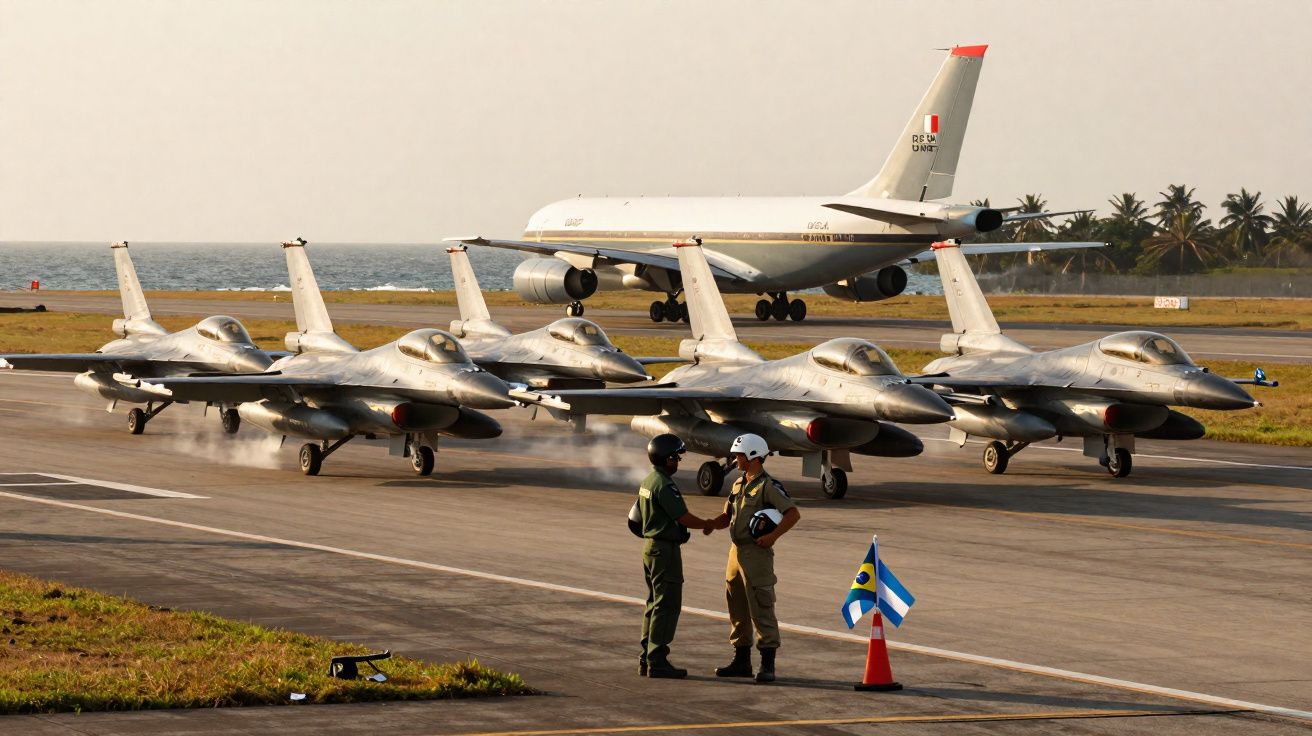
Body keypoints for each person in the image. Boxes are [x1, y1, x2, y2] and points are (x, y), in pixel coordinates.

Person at [704, 433, 800, 683]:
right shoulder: (738, 484)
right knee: (736, 605)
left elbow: (792, 514)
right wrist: (712, 523)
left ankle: (767, 664)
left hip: (757, 554)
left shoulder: (768, 486)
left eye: (739, 456)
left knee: (761, 606)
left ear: (754, 456)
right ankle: (741, 660)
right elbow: (727, 515)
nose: (735, 460)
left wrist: (772, 537)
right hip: (735, 553)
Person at [636, 433, 718, 679]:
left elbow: (634, 518)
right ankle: (657, 659)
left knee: (653, 604)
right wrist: (706, 523)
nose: (677, 462)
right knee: (667, 604)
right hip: (665, 551)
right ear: (666, 458)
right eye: (675, 458)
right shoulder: (664, 484)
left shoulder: (648, 481)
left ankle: (646, 656)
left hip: (651, 547)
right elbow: (682, 517)